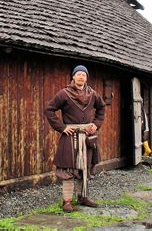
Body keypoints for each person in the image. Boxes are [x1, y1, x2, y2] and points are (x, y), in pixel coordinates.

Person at [44, 65, 106, 212]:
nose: (81, 77)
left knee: (84, 168)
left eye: (83, 75)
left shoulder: (93, 94)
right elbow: (49, 109)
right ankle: (67, 201)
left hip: (87, 137)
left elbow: (102, 108)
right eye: (78, 74)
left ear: (86, 77)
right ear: (73, 77)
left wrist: (96, 125)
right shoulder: (64, 94)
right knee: (68, 169)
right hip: (70, 138)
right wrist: (63, 127)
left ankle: (83, 197)